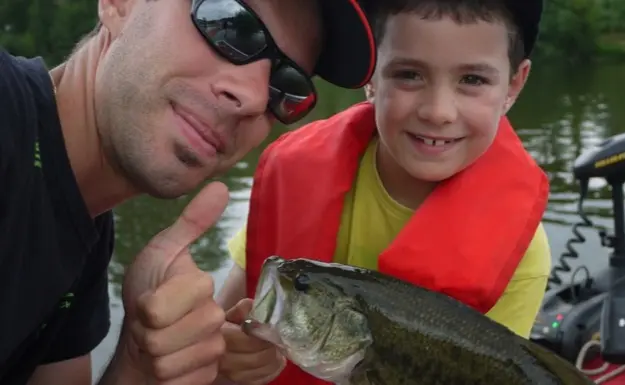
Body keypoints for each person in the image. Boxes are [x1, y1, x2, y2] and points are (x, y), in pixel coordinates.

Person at [0, 0, 377, 383]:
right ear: (120, 4)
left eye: (287, 86)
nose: (252, 97)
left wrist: (139, 367)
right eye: (230, 26)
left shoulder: (86, 242)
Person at [216, 0, 551, 384]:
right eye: (409, 74)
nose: (438, 111)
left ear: (514, 84)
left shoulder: (522, 254)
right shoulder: (293, 180)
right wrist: (224, 358)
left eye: (472, 80)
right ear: (370, 77)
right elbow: (219, 327)